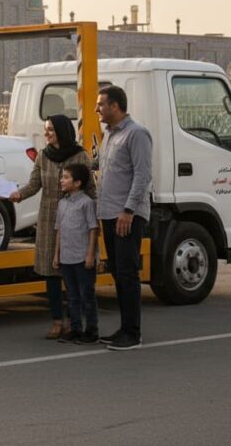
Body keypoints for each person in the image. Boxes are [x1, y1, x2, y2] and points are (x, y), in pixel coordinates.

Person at [8, 113, 95, 339]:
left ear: (63, 132)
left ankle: (77, 322)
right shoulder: (43, 156)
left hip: (76, 222)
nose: (46, 133)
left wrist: (94, 222)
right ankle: (57, 320)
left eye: (50, 130)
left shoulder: (80, 156)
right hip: (49, 220)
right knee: (51, 272)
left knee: (74, 274)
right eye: (45, 129)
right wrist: (19, 194)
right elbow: (34, 184)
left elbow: (92, 191)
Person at [94, 85, 153, 351]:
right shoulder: (109, 135)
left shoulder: (136, 134)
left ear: (115, 106)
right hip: (108, 214)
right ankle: (124, 328)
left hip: (126, 216)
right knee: (118, 273)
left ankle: (133, 333)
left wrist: (128, 210)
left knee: (128, 273)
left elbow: (142, 175)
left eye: (101, 104)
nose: (97, 109)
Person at [53, 163, 99, 344]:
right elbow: (59, 230)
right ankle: (76, 328)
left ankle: (92, 330)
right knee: (71, 295)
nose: (61, 180)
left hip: (82, 257)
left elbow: (93, 229)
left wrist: (90, 255)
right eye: (61, 177)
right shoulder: (62, 203)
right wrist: (57, 255)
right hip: (67, 258)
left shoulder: (86, 203)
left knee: (86, 294)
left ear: (78, 182)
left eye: (66, 177)